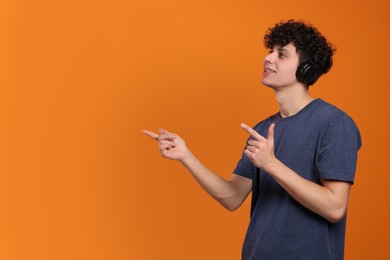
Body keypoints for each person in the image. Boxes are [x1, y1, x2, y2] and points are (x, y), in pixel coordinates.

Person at [143, 19, 362, 260]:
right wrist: (186, 156)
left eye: (282, 54)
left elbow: (335, 207)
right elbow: (232, 197)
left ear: (306, 69)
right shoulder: (262, 129)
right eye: (270, 52)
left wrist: (272, 165)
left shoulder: (334, 123)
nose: (268, 59)